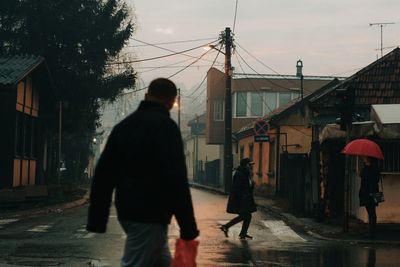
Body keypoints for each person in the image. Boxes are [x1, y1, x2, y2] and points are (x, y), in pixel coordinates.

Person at [86, 78, 199, 267]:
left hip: (127, 210)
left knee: (161, 260)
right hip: (151, 213)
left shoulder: (123, 127)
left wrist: (97, 218)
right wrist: (187, 226)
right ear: (172, 101)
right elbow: (177, 180)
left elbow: (104, 175)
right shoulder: (167, 128)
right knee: (135, 263)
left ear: (146, 96)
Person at [220, 158, 257, 240]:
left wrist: (251, 185)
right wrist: (243, 197)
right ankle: (228, 227)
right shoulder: (240, 174)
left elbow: (247, 187)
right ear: (246, 165)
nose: (251, 166)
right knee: (246, 215)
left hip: (244, 199)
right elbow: (237, 188)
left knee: (246, 216)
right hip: (240, 200)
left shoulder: (245, 173)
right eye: (250, 165)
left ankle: (233, 229)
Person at [359, 156, 380, 238]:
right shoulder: (367, 168)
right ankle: (371, 230)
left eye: (365, 158)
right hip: (367, 193)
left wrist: (371, 192)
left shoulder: (372, 169)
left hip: (370, 193)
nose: (364, 158)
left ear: (369, 159)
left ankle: (372, 231)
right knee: (371, 211)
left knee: (371, 212)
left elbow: (372, 180)